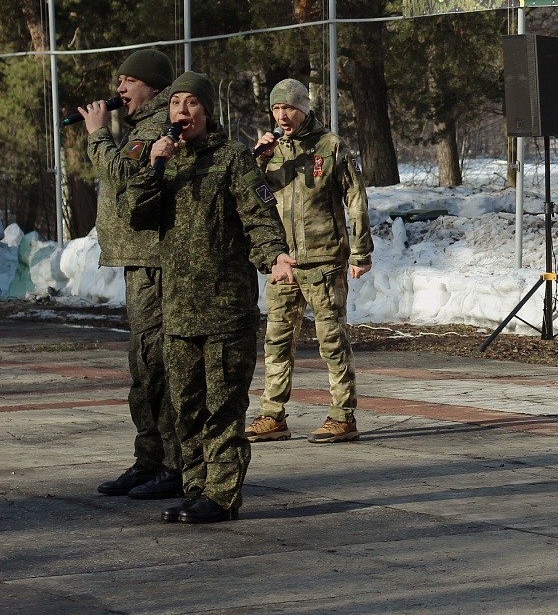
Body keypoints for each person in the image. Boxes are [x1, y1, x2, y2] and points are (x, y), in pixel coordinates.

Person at [129, 72, 295, 524]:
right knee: (186, 409)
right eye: (175, 103)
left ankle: (221, 497)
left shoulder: (232, 159)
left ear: (206, 112)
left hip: (225, 310)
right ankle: (197, 488)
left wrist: (274, 256)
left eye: (191, 103)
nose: (181, 111)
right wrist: (154, 166)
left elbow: (259, 215)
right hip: (178, 311)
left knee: (223, 408)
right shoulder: (165, 162)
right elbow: (137, 216)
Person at [246, 79, 373, 445]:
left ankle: (342, 416)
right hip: (283, 262)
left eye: (288, 108)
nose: (281, 116)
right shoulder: (272, 151)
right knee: (276, 342)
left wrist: (360, 252)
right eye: (275, 109)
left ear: (303, 108)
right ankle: (272, 415)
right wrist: (257, 159)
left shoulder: (331, 146)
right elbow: (250, 198)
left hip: (324, 261)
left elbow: (356, 199)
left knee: (332, 341)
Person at [84, 49, 183, 500]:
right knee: (143, 365)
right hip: (138, 260)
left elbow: (126, 176)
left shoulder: (162, 124)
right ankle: (149, 459)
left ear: (153, 87)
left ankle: (174, 465)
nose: (119, 89)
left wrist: (98, 136)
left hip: (154, 261)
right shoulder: (141, 127)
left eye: (129, 81)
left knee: (157, 363)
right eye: (119, 82)